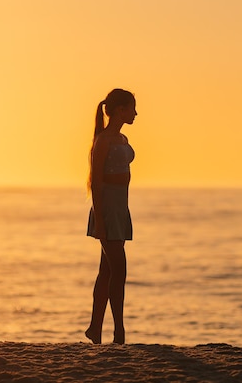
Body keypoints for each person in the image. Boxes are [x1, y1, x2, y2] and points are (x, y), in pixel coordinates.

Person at [85, 88, 137, 344]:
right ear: (120, 110)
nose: (136, 113)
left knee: (106, 272)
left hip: (120, 208)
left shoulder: (123, 139)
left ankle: (95, 328)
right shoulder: (103, 141)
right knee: (119, 270)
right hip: (106, 209)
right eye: (132, 108)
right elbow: (95, 183)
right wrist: (101, 222)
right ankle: (119, 331)